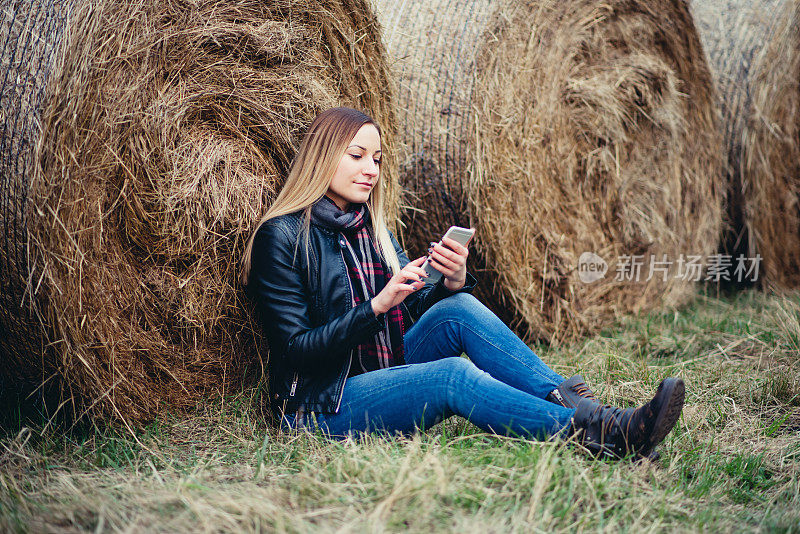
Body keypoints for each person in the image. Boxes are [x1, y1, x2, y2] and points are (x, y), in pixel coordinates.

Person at [243, 107, 684, 459]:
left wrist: (449, 281)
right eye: (357, 156)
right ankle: (600, 435)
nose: (371, 170)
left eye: (377, 159)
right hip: (320, 405)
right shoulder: (281, 235)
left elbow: (409, 311)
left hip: (380, 369)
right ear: (323, 156)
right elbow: (295, 348)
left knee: (459, 311)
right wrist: (376, 307)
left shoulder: (371, 227)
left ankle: (588, 408)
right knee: (451, 376)